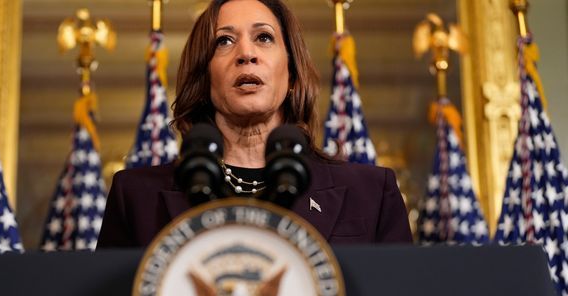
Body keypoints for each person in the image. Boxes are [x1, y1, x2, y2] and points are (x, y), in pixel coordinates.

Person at [97, 0, 412, 248]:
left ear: (292, 75)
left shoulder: (371, 193)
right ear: (204, 77)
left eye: (264, 37)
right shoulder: (136, 198)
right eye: (224, 41)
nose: (246, 53)